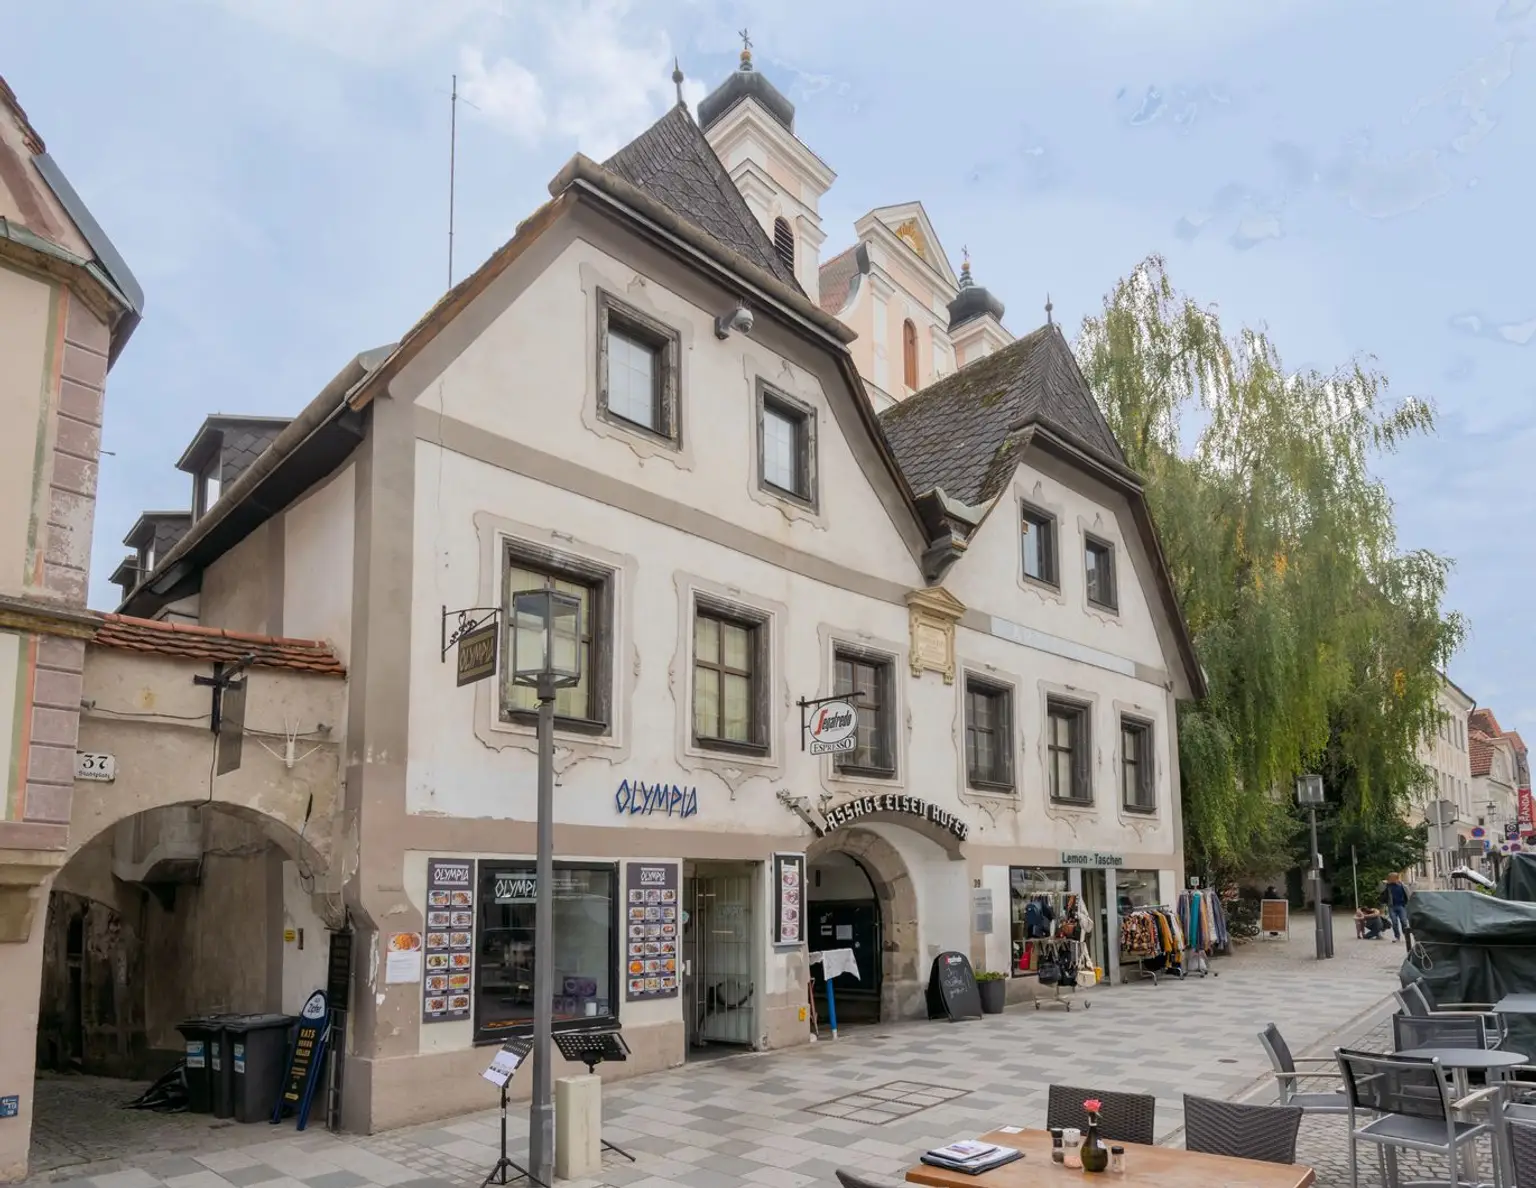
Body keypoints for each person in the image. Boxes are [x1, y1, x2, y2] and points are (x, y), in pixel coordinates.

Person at [1384, 872, 1410, 940]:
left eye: (1392, 878)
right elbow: (1379, 889)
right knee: (1394, 922)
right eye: (1390, 878)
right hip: (1391, 906)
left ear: (1396, 878)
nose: (1391, 880)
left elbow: (1408, 894)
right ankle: (1397, 936)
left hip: (1401, 906)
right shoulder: (1388, 886)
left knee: (1404, 921)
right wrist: (1385, 883)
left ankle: (1405, 935)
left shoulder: (1402, 886)